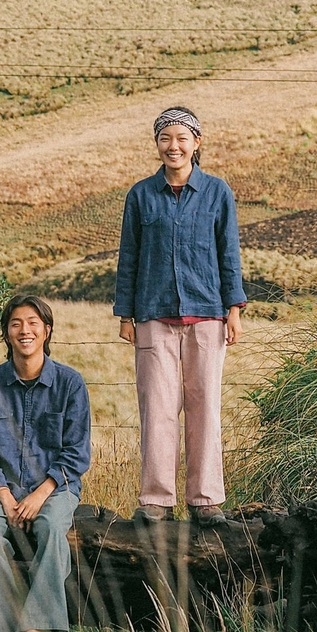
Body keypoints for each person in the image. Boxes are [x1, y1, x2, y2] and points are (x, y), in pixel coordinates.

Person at [114, 106, 246, 525]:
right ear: (157, 144)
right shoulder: (140, 195)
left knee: (204, 407)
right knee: (157, 408)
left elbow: (229, 253)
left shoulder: (217, 192)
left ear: (197, 143)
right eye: (165, 138)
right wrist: (126, 313)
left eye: (182, 138)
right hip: (153, 315)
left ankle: (205, 499)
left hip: (207, 316)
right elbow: (129, 257)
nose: (174, 146)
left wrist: (234, 308)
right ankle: (156, 499)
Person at [0, 293, 91, 632]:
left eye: (33, 323)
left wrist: (42, 493)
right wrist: (4, 496)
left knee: (53, 528)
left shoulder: (70, 384)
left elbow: (77, 453)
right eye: (16, 323)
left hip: (55, 486)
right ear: (7, 334)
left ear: (46, 331)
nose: (25, 330)